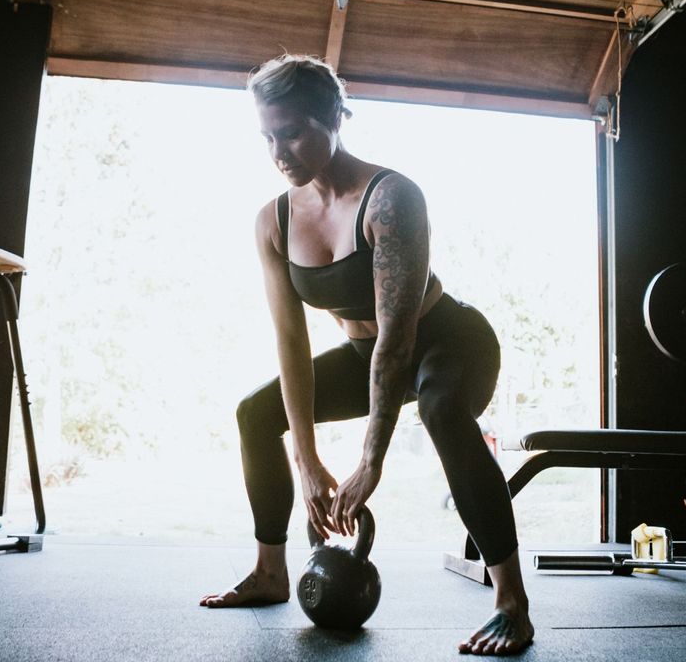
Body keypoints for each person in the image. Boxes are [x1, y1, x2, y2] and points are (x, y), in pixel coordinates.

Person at [199, 54, 534, 656]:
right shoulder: (273, 221)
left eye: (294, 131)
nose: (280, 151)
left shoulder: (391, 198)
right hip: (363, 353)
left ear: (334, 116)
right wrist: (306, 461)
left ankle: (512, 601)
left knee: (439, 408)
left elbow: (398, 338)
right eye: (268, 136)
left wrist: (369, 461)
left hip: (447, 342)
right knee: (255, 412)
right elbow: (292, 343)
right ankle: (271, 571)